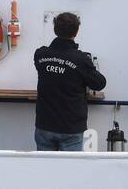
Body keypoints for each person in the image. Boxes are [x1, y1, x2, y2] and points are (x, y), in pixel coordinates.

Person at [33, 12, 106, 151]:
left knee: (44, 170)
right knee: (71, 171)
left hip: (44, 125)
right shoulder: (81, 59)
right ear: (76, 32)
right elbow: (99, 83)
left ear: (55, 30)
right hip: (71, 128)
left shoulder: (40, 54)